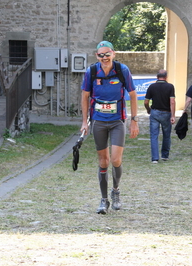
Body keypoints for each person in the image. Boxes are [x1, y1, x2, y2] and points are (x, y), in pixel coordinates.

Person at [80, 41, 139, 214]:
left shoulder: (122, 70)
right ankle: (103, 200)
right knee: (103, 161)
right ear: (96, 56)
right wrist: (84, 122)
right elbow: (84, 97)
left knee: (115, 159)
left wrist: (134, 120)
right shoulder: (91, 72)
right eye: (101, 55)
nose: (104, 58)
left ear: (113, 54)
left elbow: (134, 95)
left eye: (107, 54)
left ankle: (116, 191)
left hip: (117, 121)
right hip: (98, 120)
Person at [144, 69, 176, 163]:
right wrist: (173, 115)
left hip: (155, 112)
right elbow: (172, 102)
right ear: (166, 77)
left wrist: (148, 109)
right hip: (166, 113)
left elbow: (146, 101)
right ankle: (165, 155)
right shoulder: (170, 87)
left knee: (154, 135)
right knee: (166, 135)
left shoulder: (152, 86)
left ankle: (155, 158)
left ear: (157, 77)